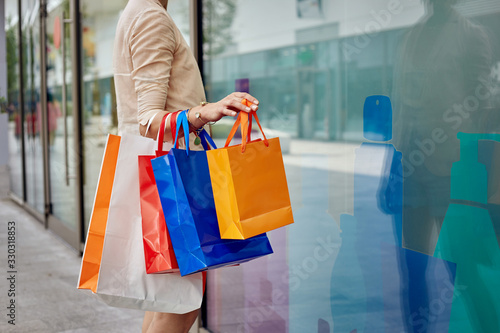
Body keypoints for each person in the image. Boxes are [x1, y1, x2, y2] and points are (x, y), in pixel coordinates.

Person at [112, 0, 259, 332]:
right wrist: (204, 112)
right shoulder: (151, 16)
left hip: (159, 178)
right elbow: (147, 120)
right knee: (180, 306)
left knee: (167, 302)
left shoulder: (136, 11)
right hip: (174, 184)